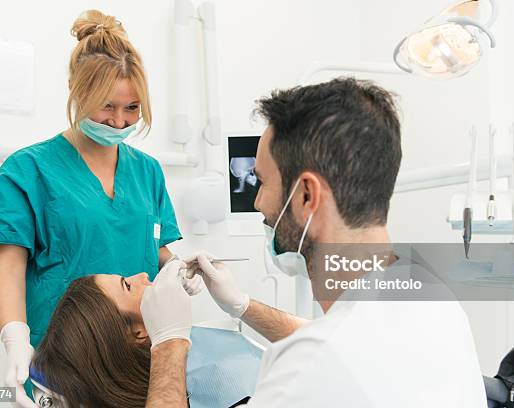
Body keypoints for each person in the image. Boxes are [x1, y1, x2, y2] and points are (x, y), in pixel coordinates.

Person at [140, 77, 488, 407]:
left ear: (307, 195)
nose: (258, 202)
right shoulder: (430, 297)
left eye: (262, 183)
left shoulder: (309, 371)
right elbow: (342, 338)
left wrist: (169, 343)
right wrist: (241, 305)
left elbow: (326, 350)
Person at [0, 10, 200, 406]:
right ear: (75, 90)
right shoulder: (27, 171)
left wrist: (179, 268)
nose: (118, 122)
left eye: (132, 109)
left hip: (136, 366)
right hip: (66, 364)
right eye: (107, 106)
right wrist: (14, 338)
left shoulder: (147, 171)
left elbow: (153, 247)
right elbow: (8, 265)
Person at [31, 265, 260, 408]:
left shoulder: (190, 340)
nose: (142, 275)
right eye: (127, 286)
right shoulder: (218, 384)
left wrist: (242, 306)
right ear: (138, 333)